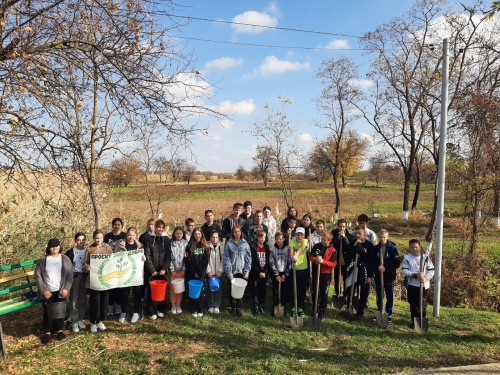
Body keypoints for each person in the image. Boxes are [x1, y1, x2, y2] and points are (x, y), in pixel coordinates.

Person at [35, 239, 73, 344]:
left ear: (60, 247)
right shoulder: (43, 260)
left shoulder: (65, 259)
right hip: (48, 290)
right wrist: (44, 290)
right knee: (48, 311)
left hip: (61, 290)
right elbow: (38, 276)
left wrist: (66, 288)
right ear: (48, 248)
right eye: (52, 246)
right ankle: (47, 331)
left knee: (60, 311)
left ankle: (60, 330)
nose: (54, 248)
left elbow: (70, 275)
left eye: (56, 246)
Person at [115, 227, 146, 323]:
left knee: (137, 293)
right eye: (129, 235)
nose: (131, 237)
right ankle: (123, 312)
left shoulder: (140, 246)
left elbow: (143, 258)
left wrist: (144, 258)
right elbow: (115, 258)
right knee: (124, 293)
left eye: (133, 235)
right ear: (126, 235)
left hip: (136, 274)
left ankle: (136, 312)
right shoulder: (120, 246)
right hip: (124, 274)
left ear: (136, 236)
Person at [345, 225, 376, 321]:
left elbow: (371, 261)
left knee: (364, 292)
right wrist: (355, 246)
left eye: (360, 233)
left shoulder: (369, 245)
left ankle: (360, 312)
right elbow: (349, 255)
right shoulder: (352, 243)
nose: (358, 235)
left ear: (364, 234)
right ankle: (349, 307)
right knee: (350, 288)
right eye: (356, 233)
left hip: (365, 270)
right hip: (354, 269)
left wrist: (370, 276)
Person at [402, 239, 435, 329]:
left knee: (422, 304)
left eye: (416, 247)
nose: (414, 249)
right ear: (410, 248)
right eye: (412, 247)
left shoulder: (425, 258)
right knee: (413, 304)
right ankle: (414, 322)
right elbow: (405, 270)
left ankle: (422, 321)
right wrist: (415, 275)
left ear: (419, 247)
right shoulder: (407, 258)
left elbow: (431, 270)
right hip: (412, 285)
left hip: (424, 285)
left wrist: (425, 278)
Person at [84, 230, 113, 333]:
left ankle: (100, 320)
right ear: (93, 238)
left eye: (100, 238)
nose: (98, 240)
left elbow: (112, 260)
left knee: (104, 301)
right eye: (96, 238)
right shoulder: (89, 249)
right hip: (94, 280)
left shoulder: (107, 248)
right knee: (94, 301)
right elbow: (85, 262)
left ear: (103, 238)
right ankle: (93, 322)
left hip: (105, 279)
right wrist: (87, 267)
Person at [144, 220, 172, 320]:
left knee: (161, 290)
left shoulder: (167, 239)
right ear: (155, 227)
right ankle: (151, 310)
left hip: (162, 270)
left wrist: (164, 268)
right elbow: (147, 255)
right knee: (151, 290)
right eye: (158, 227)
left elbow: (168, 255)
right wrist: (152, 269)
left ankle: (161, 309)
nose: (160, 229)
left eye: (162, 227)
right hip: (152, 270)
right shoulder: (149, 239)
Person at [372, 230, 400, 325]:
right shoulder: (376, 248)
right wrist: (378, 267)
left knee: (389, 295)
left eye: (384, 237)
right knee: (379, 294)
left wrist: (386, 268)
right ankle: (380, 311)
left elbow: (396, 263)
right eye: (380, 237)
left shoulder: (392, 248)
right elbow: (373, 261)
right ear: (378, 237)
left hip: (389, 276)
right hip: (379, 275)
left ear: (387, 237)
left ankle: (389, 314)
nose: (382, 239)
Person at [223, 226, 251, 318]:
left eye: (238, 231)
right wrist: (229, 274)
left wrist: (247, 272)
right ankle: (233, 308)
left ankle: (239, 308)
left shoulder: (245, 244)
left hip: (242, 272)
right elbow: (226, 259)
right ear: (232, 233)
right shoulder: (229, 244)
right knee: (233, 291)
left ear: (241, 232)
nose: (237, 233)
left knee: (240, 291)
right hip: (233, 272)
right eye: (235, 232)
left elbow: (248, 258)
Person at [309, 232, 337, 318]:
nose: (322, 241)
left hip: (326, 275)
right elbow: (310, 256)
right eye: (322, 239)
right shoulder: (317, 246)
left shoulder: (333, 250)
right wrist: (315, 260)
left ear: (329, 240)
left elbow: (333, 264)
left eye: (324, 240)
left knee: (324, 292)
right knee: (315, 291)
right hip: (316, 272)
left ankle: (322, 310)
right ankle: (314, 308)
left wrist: (323, 262)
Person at [184, 228, 210, 318]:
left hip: (201, 274)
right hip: (191, 273)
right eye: (195, 234)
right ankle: (193, 309)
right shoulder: (189, 246)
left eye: (199, 234)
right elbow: (188, 260)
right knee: (192, 292)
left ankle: (200, 308)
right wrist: (194, 272)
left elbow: (205, 261)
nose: (197, 236)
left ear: (201, 234)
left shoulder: (205, 246)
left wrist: (200, 272)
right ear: (193, 235)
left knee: (200, 292)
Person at [65, 232, 88, 333]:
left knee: (82, 299)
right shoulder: (71, 252)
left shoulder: (89, 250)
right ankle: (74, 320)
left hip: (85, 277)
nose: (81, 242)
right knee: (73, 299)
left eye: (83, 240)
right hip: (75, 276)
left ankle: (80, 319)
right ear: (75, 240)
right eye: (79, 240)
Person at [104, 217, 126, 316]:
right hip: (110, 265)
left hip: (121, 265)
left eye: (118, 224)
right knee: (111, 285)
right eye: (115, 224)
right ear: (112, 225)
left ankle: (118, 306)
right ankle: (110, 306)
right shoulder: (107, 236)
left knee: (120, 286)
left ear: (121, 226)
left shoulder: (125, 235)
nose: (117, 226)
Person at [331, 219, 353, 300]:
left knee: (346, 278)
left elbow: (349, 247)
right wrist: (338, 238)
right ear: (337, 226)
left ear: (346, 227)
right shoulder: (333, 234)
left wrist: (344, 238)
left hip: (346, 261)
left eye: (343, 227)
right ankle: (337, 293)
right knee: (337, 278)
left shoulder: (349, 236)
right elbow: (332, 246)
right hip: (337, 260)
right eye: (340, 226)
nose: (341, 228)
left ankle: (345, 294)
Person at [289, 227, 309, 317]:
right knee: (294, 288)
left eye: (301, 235)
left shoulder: (305, 241)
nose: (299, 236)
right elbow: (291, 250)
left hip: (303, 268)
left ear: (303, 235)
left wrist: (296, 255)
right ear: (295, 234)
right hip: (294, 269)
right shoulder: (292, 240)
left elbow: (301, 248)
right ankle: (293, 307)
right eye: (298, 234)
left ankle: (300, 307)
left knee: (302, 289)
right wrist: (292, 257)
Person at [269, 231, 290, 315]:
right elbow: (271, 262)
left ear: (283, 239)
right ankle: (275, 306)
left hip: (284, 273)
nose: (278, 241)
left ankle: (283, 307)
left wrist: (285, 274)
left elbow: (289, 262)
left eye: (280, 239)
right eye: (277, 239)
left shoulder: (287, 249)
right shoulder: (273, 249)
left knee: (284, 291)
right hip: (276, 273)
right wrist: (276, 274)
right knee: (275, 290)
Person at [249, 230, 270, 315]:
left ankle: (261, 305)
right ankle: (255, 306)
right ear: (257, 237)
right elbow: (252, 262)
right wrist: (258, 272)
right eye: (261, 237)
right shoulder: (253, 247)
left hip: (264, 272)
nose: (262, 239)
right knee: (255, 289)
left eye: (264, 237)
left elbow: (268, 261)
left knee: (262, 289)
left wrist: (264, 271)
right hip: (255, 272)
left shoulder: (267, 247)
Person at [169, 226, 187, 315]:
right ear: (174, 234)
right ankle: (173, 305)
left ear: (183, 234)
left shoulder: (186, 243)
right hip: (173, 271)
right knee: (173, 288)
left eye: (180, 233)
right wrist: (172, 269)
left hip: (181, 271)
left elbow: (186, 257)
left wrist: (183, 269)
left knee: (179, 288)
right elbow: (169, 257)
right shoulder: (171, 243)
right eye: (177, 233)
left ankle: (178, 304)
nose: (179, 235)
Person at [207, 231, 224, 314]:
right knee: (210, 289)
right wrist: (208, 271)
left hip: (218, 273)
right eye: (213, 237)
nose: (214, 239)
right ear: (210, 238)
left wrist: (220, 270)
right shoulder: (207, 247)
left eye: (216, 237)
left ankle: (216, 305)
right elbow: (205, 260)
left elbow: (223, 260)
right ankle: (210, 305)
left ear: (219, 238)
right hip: (210, 273)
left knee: (218, 289)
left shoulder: (221, 247)